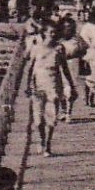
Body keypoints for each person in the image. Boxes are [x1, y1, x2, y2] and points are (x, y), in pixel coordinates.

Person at [26, 24, 70, 156]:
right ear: (44, 33)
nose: (53, 35)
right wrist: (27, 85)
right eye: (50, 32)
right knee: (38, 119)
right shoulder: (36, 48)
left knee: (51, 117)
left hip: (54, 84)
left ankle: (48, 145)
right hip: (38, 84)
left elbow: (65, 68)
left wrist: (71, 86)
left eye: (54, 33)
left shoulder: (59, 48)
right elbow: (30, 68)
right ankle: (41, 139)